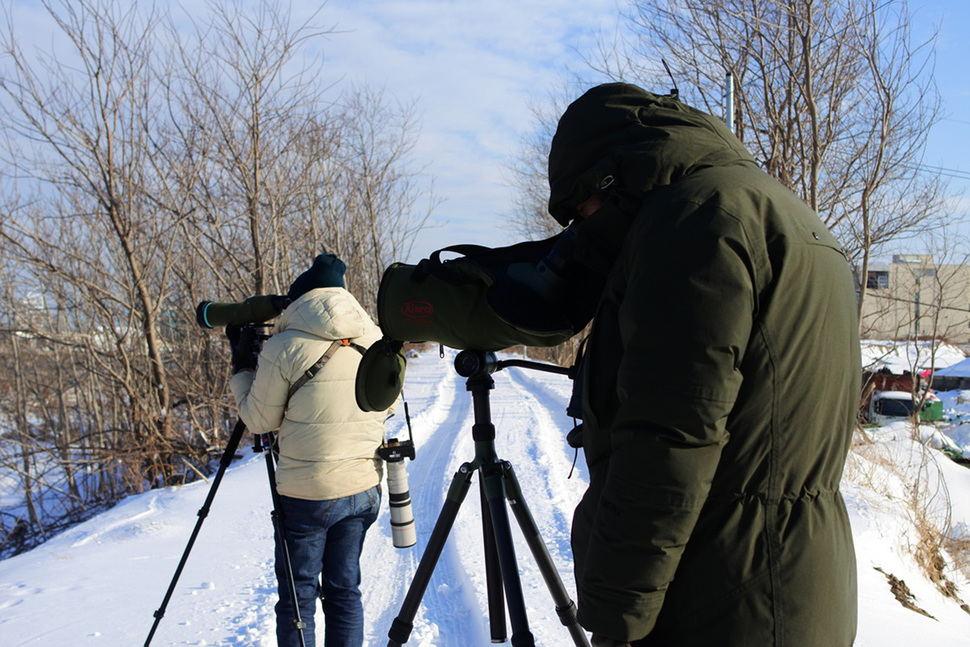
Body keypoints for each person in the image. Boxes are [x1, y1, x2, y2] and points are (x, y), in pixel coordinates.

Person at [547, 84, 860, 646]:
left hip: (719, 597)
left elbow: (671, 436)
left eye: (578, 208)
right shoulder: (781, 211)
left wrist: (618, 614)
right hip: (802, 581)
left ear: (610, 178)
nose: (580, 226)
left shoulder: (693, 221)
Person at [228, 253, 389, 647]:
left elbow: (259, 421)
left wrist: (240, 368)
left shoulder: (283, 347)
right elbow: (386, 404)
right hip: (362, 486)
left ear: (300, 301)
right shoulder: (377, 340)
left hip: (307, 495)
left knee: (298, 598)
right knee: (344, 590)